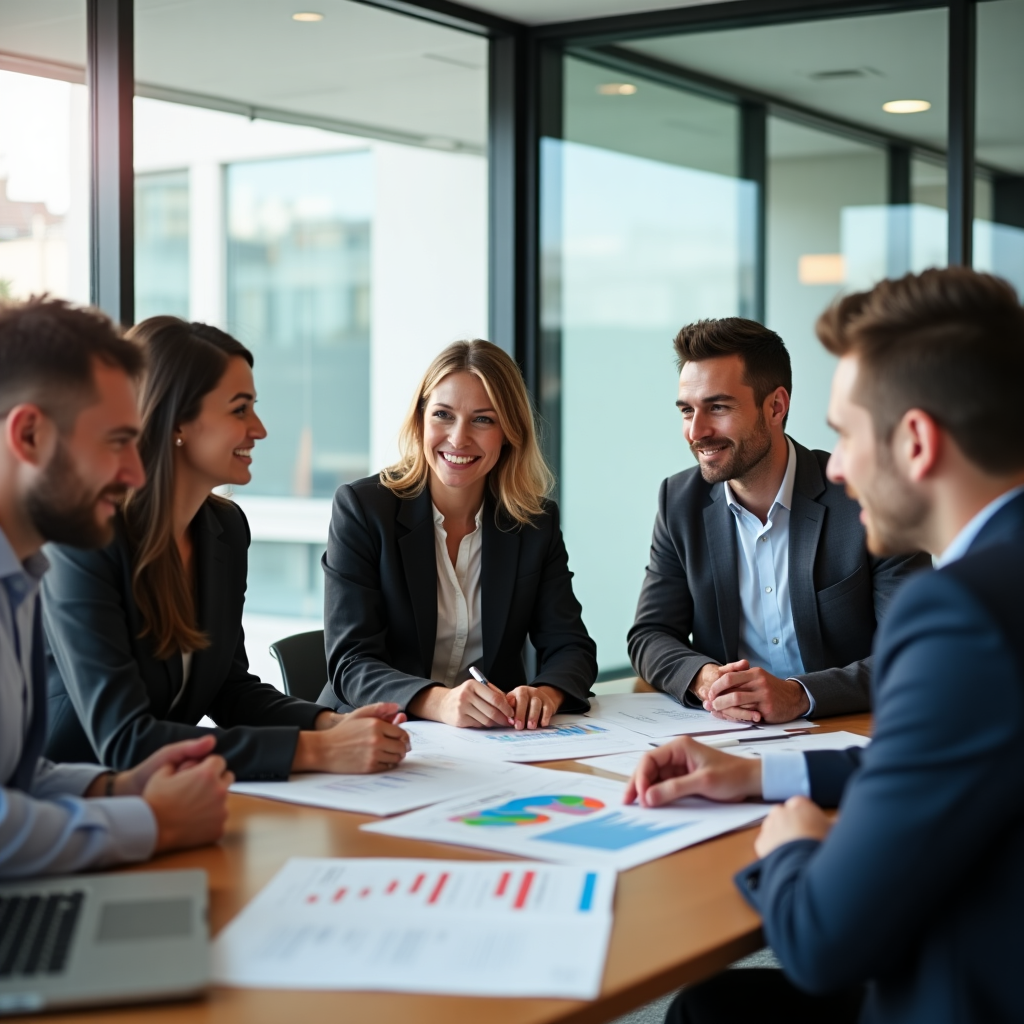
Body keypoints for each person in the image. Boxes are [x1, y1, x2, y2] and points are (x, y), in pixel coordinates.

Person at [626, 268, 1024, 1024]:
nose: (835, 465)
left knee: (706, 1012)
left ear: (915, 442)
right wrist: (758, 776)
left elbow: (820, 940)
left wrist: (795, 843)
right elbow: (928, 754)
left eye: (845, 434)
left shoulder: (959, 612)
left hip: (964, 993)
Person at [44, 316, 410, 779]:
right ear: (176, 420)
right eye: (240, 410)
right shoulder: (82, 539)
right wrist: (317, 750)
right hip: (71, 798)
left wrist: (331, 724)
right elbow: (125, 740)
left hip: (171, 793)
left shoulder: (224, 528)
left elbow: (229, 689)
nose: (259, 429)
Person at [0, 296, 232, 877]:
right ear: (29, 436)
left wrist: (117, 787)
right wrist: (152, 823)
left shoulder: (20, 576)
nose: (135, 471)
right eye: (115, 442)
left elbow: (19, 778)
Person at [628, 318, 928, 723]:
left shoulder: (867, 499)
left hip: (852, 729)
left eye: (718, 407)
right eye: (687, 411)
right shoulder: (679, 501)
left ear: (775, 406)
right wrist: (705, 679)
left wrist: (799, 695)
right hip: (729, 732)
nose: (696, 431)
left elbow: (917, 651)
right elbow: (650, 635)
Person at [318, 339, 596, 729]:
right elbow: (351, 662)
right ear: (420, 420)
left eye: (483, 420)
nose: (459, 438)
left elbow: (571, 647)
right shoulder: (364, 509)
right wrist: (441, 702)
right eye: (443, 415)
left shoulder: (534, 522)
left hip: (488, 739)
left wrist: (544, 694)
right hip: (377, 728)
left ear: (509, 431)